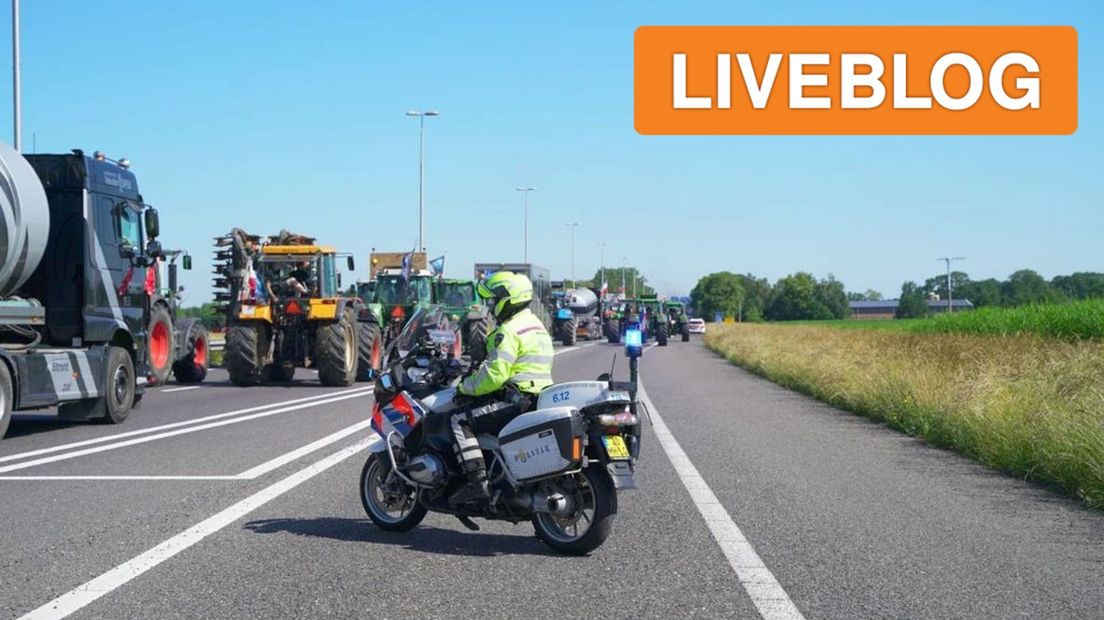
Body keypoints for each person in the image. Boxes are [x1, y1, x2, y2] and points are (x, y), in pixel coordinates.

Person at [447, 271, 554, 504]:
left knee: (458, 420)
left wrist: (464, 387)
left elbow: (494, 376)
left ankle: (476, 481)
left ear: (509, 298)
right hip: (539, 399)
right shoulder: (538, 327)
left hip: (515, 400)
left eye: (494, 299)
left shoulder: (509, 331)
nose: (492, 305)